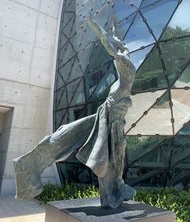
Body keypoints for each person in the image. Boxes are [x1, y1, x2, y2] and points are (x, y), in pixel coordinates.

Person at [13, 18, 136, 209]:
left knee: (111, 161)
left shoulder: (128, 71)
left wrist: (101, 33)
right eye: (120, 45)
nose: (121, 48)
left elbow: (117, 53)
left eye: (122, 45)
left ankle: (114, 192)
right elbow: (118, 52)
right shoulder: (120, 80)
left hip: (113, 125)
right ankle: (28, 169)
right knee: (64, 134)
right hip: (103, 120)